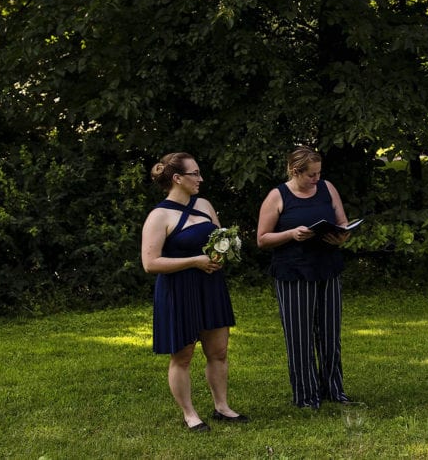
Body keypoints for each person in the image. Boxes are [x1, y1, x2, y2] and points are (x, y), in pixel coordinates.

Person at [141, 152, 248, 432]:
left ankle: (222, 407)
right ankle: (190, 414)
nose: (201, 179)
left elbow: (219, 238)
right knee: (183, 356)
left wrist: (221, 256)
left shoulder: (204, 205)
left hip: (210, 285)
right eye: (195, 174)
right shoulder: (159, 215)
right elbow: (150, 263)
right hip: (178, 289)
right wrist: (194, 261)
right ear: (177, 178)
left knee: (219, 351)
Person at [257, 145, 353, 410]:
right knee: (299, 336)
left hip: (327, 266)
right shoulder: (277, 196)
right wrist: (291, 234)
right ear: (295, 171)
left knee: (330, 333)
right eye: (311, 174)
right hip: (294, 271)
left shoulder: (327, 188)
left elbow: (342, 221)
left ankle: (334, 390)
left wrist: (342, 234)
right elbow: (262, 239)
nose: (316, 179)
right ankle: (306, 395)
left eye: (319, 173)